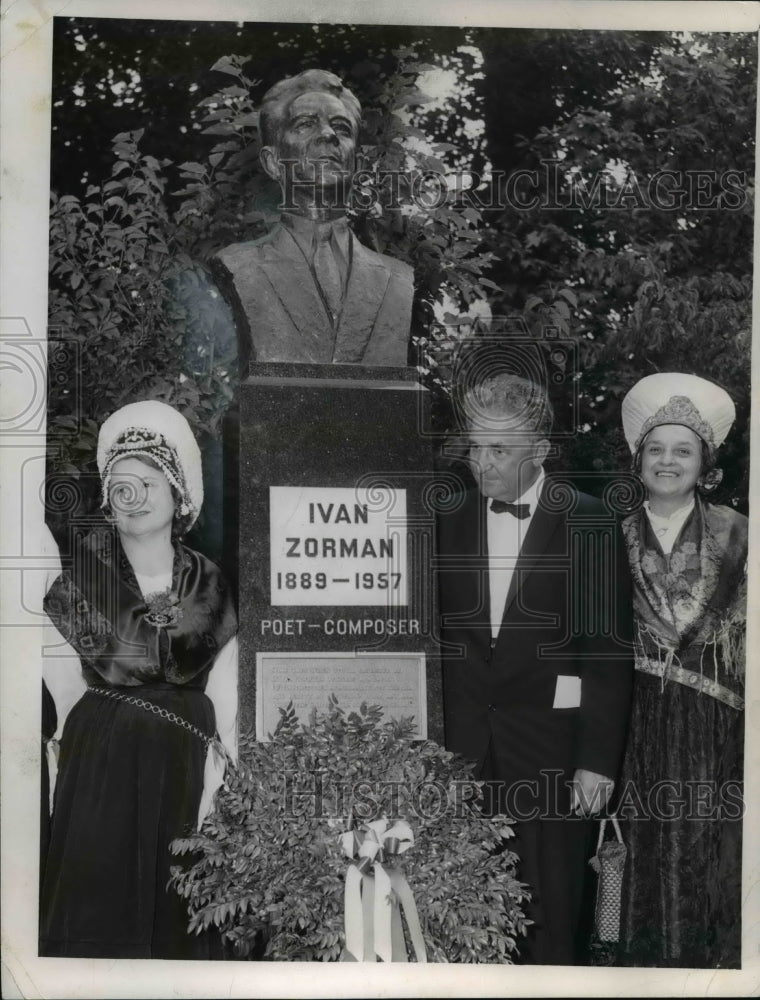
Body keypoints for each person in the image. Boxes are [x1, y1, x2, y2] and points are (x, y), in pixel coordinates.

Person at [437, 372, 634, 964]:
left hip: (552, 754)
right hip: (460, 752)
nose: (481, 463)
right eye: (475, 447)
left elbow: (606, 654)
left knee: (549, 921)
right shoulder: (445, 516)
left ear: (541, 452)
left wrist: (596, 762)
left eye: (499, 450)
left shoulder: (591, 520)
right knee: (459, 914)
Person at [39, 400, 238, 959]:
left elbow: (226, 690)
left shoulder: (210, 582)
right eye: (123, 485)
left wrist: (222, 780)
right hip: (104, 768)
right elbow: (64, 688)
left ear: (180, 495)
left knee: (180, 915)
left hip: (188, 770)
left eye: (150, 482)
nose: (138, 497)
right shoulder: (79, 578)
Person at [616, 373, 747, 968]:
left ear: (705, 463)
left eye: (682, 450)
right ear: (638, 458)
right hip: (632, 721)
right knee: (633, 853)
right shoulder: (604, 534)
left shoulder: (743, 533)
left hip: (719, 728)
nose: (667, 461)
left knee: (713, 853)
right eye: (656, 449)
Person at [210, 69, 413, 369]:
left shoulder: (398, 279)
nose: (329, 135)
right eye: (305, 124)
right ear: (273, 162)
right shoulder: (240, 266)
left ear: (354, 162)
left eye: (341, 128)